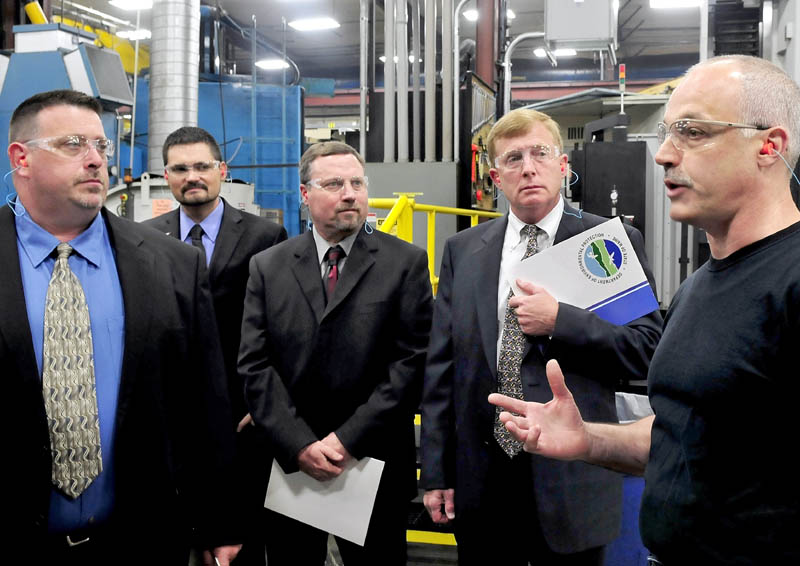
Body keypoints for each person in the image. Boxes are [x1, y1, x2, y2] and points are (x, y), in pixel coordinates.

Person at [490, 55, 800, 565]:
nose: (663, 155)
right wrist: (586, 438)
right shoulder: (699, 287)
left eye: (693, 132)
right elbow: (677, 435)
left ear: (769, 145)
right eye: (667, 133)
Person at [4, 89, 241, 565]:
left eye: (101, 146)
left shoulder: (173, 264)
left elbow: (205, 403)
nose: (95, 161)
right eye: (73, 144)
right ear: (21, 158)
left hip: (141, 538)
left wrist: (220, 519)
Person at [420, 107, 663, 565]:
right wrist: (436, 471)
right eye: (513, 159)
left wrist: (561, 321)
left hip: (573, 477)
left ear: (563, 165)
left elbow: (646, 351)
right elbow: (442, 369)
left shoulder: (605, 242)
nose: (528, 167)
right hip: (485, 480)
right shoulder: (464, 251)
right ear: (495, 176)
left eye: (540, 153)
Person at [239, 140, 433, 565]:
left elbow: (409, 365)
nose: (350, 193)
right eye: (334, 183)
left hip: (372, 464)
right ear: (305, 195)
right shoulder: (268, 267)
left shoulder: (405, 264)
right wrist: (300, 444)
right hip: (292, 468)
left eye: (357, 182)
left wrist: (346, 441)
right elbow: (255, 365)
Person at [144, 126, 287, 566]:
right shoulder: (144, 239)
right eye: (181, 168)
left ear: (222, 171)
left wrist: (264, 402)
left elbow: (281, 330)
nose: (193, 176)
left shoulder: (266, 237)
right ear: (165, 176)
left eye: (203, 166)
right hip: (171, 412)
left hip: (242, 413)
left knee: (242, 538)